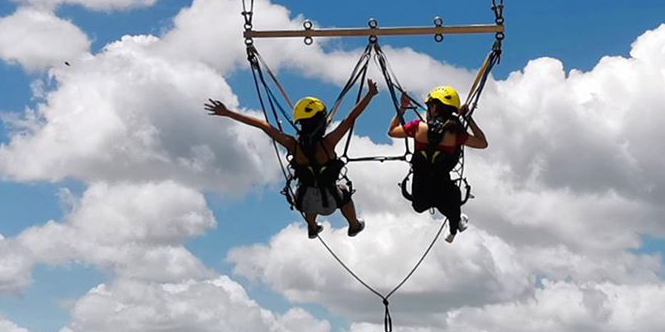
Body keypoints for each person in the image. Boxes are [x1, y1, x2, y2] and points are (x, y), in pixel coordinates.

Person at [205, 80, 377, 239]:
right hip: (332, 199)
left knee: (306, 191)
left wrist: (227, 113)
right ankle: (353, 224)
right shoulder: (328, 143)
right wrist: (370, 95)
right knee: (343, 192)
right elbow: (350, 118)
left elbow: (262, 125)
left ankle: (312, 226)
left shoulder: (292, 144)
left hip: (305, 201)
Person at [388, 85, 487, 242]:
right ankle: (455, 218)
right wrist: (468, 117)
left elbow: (392, 131)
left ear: (434, 108)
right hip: (442, 186)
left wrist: (403, 107)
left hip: (422, 186)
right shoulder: (455, 134)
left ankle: (455, 218)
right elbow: (482, 143)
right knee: (447, 203)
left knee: (420, 206)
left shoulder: (418, 127)